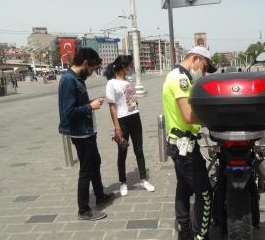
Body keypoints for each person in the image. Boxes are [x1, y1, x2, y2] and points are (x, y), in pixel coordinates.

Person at [162, 46, 217, 240]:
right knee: (205, 194)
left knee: (183, 189)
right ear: (195, 58)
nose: (203, 72)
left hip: (180, 144)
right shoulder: (181, 79)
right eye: (204, 67)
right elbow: (188, 115)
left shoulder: (182, 77)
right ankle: (200, 235)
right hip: (184, 146)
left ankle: (184, 231)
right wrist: (216, 119)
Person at [58, 48, 115, 221]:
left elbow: (76, 104)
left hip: (86, 130)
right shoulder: (69, 80)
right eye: (91, 69)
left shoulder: (76, 78)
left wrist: (91, 102)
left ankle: (100, 195)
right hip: (80, 132)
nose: (91, 73)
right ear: (84, 63)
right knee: (86, 169)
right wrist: (90, 107)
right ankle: (83, 210)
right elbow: (68, 111)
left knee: (94, 162)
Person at [105, 55, 155, 197]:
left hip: (135, 118)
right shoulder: (111, 84)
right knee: (123, 152)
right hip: (122, 121)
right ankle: (123, 182)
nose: (131, 68)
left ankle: (143, 180)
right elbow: (112, 108)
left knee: (139, 150)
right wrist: (117, 128)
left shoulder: (128, 80)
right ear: (123, 66)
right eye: (130, 65)